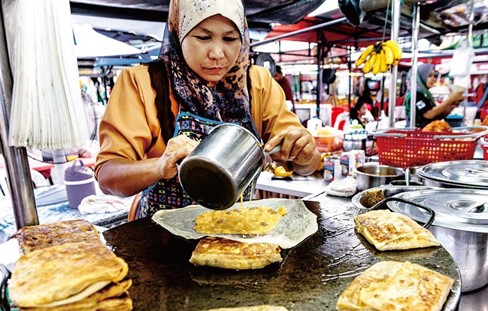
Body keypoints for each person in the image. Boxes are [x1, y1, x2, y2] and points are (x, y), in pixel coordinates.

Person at [94, 0, 321, 219]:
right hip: (160, 241)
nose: (217, 54)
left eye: (230, 38)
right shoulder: (143, 83)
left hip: (239, 234)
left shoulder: (257, 82)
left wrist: (304, 151)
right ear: (179, 31)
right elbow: (108, 176)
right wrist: (158, 166)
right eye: (203, 37)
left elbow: (305, 165)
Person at [405, 64, 464, 128]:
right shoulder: (415, 94)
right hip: (416, 134)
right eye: (430, 76)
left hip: (429, 132)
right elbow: (429, 114)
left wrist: (452, 105)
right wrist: (450, 99)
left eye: (434, 76)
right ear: (422, 76)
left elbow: (436, 115)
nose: (434, 79)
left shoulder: (426, 94)